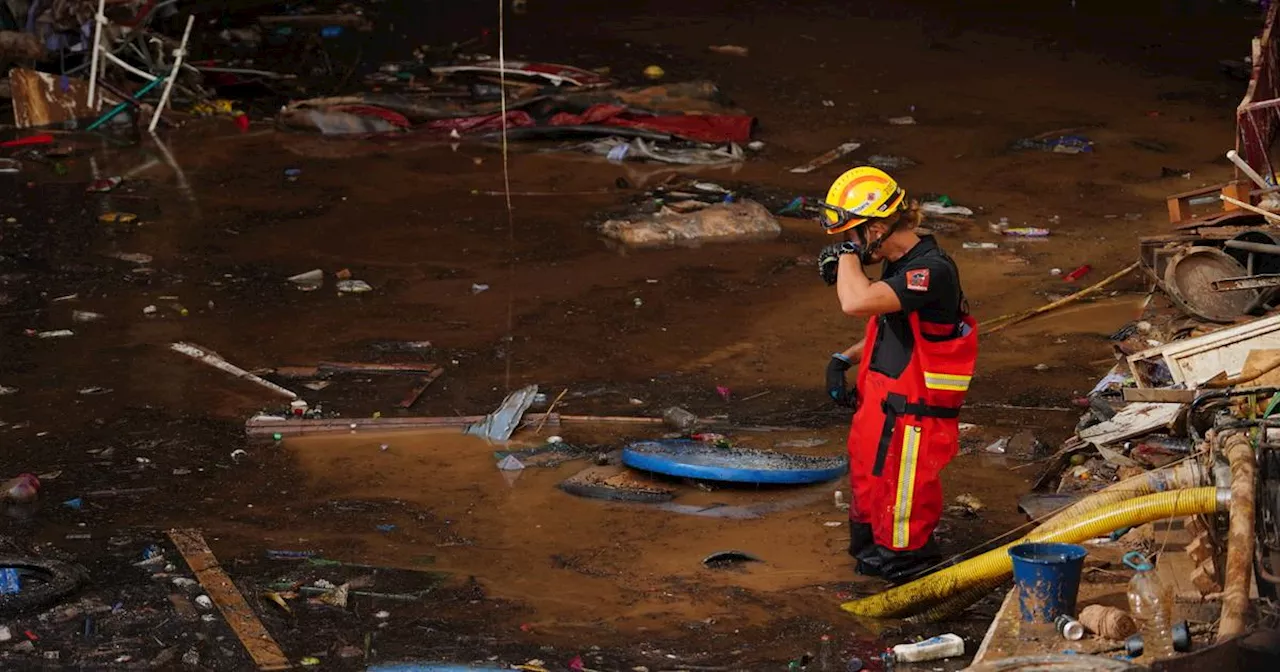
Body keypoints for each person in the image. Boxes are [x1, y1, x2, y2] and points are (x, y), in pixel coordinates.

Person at [816, 166, 979, 583]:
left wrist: (846, 259)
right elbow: (892, 325)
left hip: (914, 421)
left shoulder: (931, 271)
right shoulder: (898, 264)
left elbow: (857, 302)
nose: (847, 244)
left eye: (852, 234)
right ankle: (870, 582)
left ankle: (916, 601)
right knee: (870, 515)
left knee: (901, 526)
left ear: (880, 226)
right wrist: (845, 358)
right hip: (883, 408)